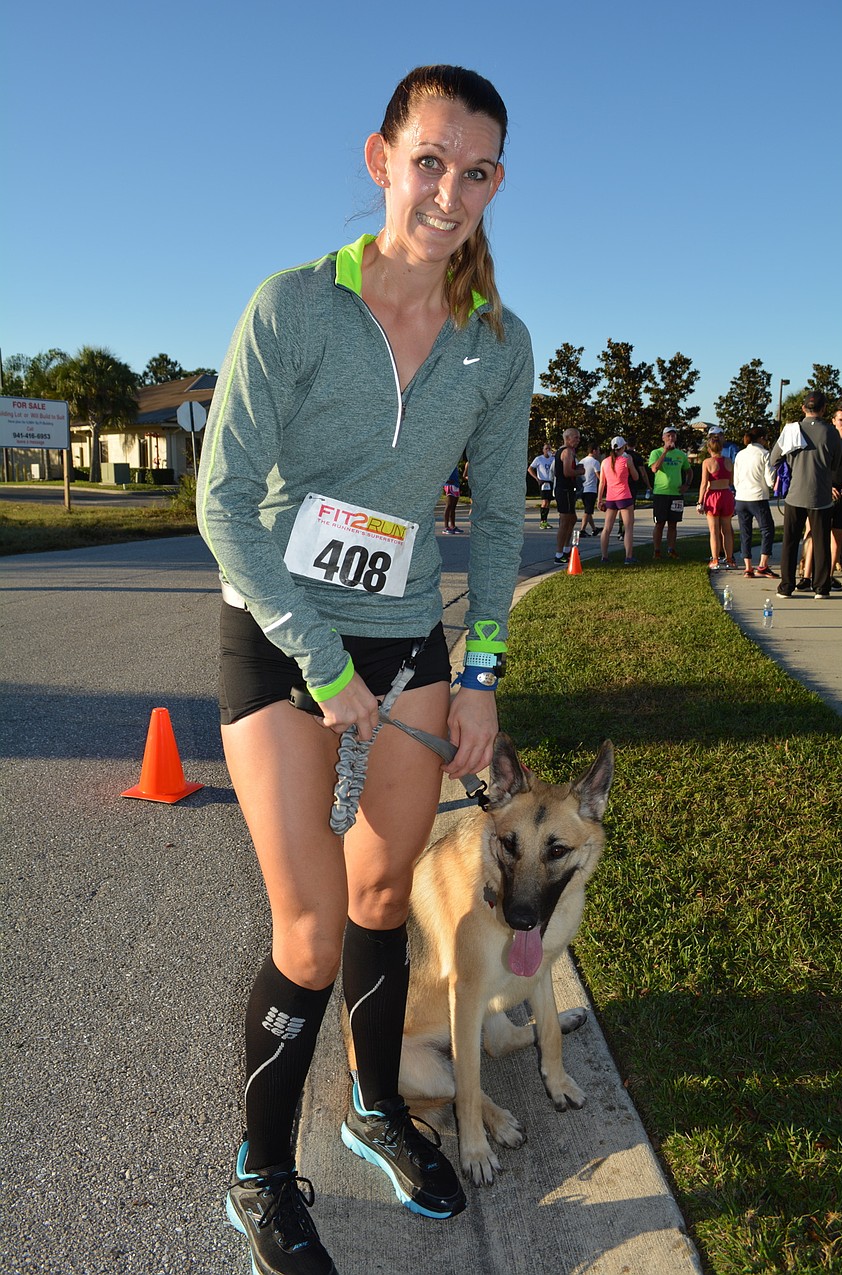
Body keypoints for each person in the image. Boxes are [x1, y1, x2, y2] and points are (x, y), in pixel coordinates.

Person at [196, 65, 534, 1275]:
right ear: (381, 158)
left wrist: (481, 670)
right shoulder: (292, 305)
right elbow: (223, 504)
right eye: (431, 159)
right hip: (284, 636)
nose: (450, 190)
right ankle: (261, 1175)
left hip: (410, 646)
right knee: (307, 931)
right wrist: (325, 665)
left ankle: (376, 1105)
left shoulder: (497, 344)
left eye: (478, 170)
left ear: (497, 183)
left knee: (385, 898)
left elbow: (497, 524)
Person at [770, 390, 842, 599]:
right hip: (821, 496)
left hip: (795, 495)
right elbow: (835, 464)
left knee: (790, 542)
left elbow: (774, 459)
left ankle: (786, 586)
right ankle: (821, 587)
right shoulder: (830, 432)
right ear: (823, 409)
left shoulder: (792, 430)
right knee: (821, 543)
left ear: (803, 408)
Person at [733, 426, 777, 578]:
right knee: (767, 529)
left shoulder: (740, 454)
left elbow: (736, 479)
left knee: (745, 532)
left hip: (741, 497)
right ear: (761, 439)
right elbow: (770, 480)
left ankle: (747, 567)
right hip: (757, 497)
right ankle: (763, 565)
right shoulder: (765, 454)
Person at [648, 426, 692, 558]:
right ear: (663, 438)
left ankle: (671, 549)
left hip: (676, 494)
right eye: (668, 436)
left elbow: (689, 471)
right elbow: (655, 468)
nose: (671, 438)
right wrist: (665, 452)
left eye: (673, 436)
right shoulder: (656, 452)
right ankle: (657, 550)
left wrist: (687, 485)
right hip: (661, 493)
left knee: (673, 524)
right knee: (659, 523)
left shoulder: (681, 455)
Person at [597, 436, 639, 564]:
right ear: (623, 447)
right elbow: (636, 477)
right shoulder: (627, 459)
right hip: (624, 496)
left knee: (607, 528)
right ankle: (628, 556)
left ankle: (604, 556)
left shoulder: (605, 462)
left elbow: (602, 482)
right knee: (628, 527)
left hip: (611, 498)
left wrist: (599, 499)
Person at [697, 434, 736, 570]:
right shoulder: (729, 461)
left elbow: (703, 483)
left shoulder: (707, 462)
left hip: (713, 495)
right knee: (727, 530)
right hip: (726, 494)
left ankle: (715, 560)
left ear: (709, 449)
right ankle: (730, 559)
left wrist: (700, 501)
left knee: (714, 531)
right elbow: (731, 481)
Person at [828, 400, 842, 589]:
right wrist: (827, 486)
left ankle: (829, 575)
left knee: (838, 538)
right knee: (817, 536)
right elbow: (818, 468)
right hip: (826, 495)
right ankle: (809, 574)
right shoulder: (828, 442)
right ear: (834, 421)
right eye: (841, 420)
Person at [552, 426, 581, 563]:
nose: (578, 440)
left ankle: (567, 548)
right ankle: (559, 554)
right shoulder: (567, 451)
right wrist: (580, 471)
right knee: (565, 521)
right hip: (564, 490)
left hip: (568, 490)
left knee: (572, 519)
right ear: (568, 438)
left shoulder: (566, 451)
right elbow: (567, 472)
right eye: (576, 437)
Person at [527, 442, 555, 528]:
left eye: (549, 449)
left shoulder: (553, 459)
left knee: (548, 502)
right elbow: (530, 469)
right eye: (546, 449)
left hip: (551, 481)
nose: (548, 450)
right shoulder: (539, 459)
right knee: (545, 501)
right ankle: (542, 521)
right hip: (543, 482)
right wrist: (537, 478)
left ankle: (545, 521)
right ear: (543, 450)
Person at [577, 443, 601, 536]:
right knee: (588, 511)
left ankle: (594, 529)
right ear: (594, 451)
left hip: (583, 488)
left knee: (588, 510)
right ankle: (582, 530)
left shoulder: (582, 461)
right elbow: (599, 476)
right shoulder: (595, 462)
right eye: (598, 450)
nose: (599, 452)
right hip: (591, 489)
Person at [442, 465, 462, 534]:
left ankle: (453, 526)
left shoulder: (455, 462)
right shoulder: (448, 460)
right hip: (449, 484)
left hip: (456, 484)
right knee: (449, 505)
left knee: (453, 507)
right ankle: (446, 527)